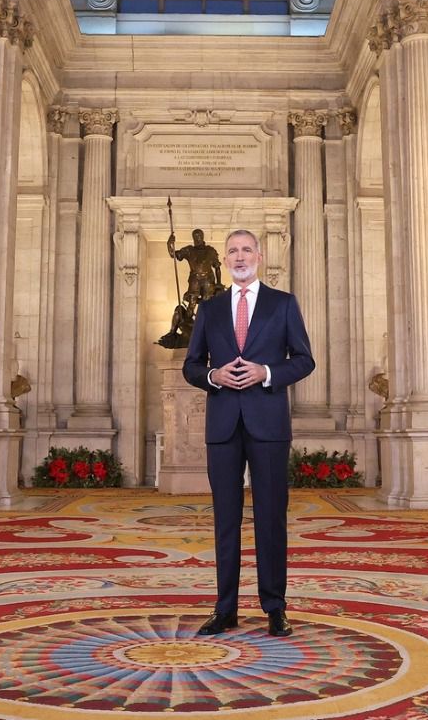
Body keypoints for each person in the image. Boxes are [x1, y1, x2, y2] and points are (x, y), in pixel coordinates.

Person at [183, 229, 315, 637]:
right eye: (233, 252)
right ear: (225, 260)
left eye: (246, 250)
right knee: (225, 520)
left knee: (271, 518)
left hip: (269, 424)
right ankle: (225, 610)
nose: (239, 257)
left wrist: (268, 372)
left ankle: (275, 608)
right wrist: (213, 375)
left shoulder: (283, 304)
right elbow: (191, 365)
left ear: (259, 256)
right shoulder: (210, 309)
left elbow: (305, 360)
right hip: (223, 426)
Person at [168, 228, 224, 309]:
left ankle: (206, 320)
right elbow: (173, 255)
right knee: (192, 302)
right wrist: (169, 244)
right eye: (195, 237)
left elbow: (217, 267)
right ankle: (188, 320)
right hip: (195, 279)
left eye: (199, 236)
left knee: (207, 302)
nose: (197, 239)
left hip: (208, 279)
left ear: (202, 237)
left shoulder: (210, 251)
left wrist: (219, 283)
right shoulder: (189, 250)